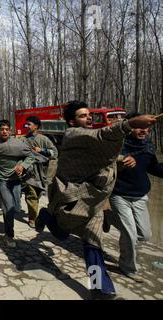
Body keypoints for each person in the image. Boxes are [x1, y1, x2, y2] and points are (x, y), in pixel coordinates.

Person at [35, 100, 157, 299]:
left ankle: (100, 288)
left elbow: (101, 160)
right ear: (72, 122)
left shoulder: (90, 138)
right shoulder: (73, 134)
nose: (89, 117)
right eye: (83, 115)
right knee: (62, 234)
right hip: (71, 201)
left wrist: (122, 161)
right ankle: (48, 215)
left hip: (93, 202)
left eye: (89, 114)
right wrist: (129, 124)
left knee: (93, 244)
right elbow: (100, 137)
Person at [106, 112, 163, 283]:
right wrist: (120, 162)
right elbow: (104, 165)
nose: (144, 130)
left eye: (146, 128)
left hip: (140, 196)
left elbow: (154, 168)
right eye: (139, 126)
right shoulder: (118, 145)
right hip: (119, 195)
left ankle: (108, 217)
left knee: (144, 235)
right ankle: (127, 267)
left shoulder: (147, 147)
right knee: (130, 234)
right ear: (130, 127)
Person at [0, 120, 35, 247]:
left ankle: (8, 228)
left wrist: (22, 165)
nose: (4, 131)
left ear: (10, 130)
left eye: (7, 129)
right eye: (2, 129)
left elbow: (30, 156)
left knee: (16, 208)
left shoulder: (18, 144)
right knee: (8, 207)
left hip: (16, 181)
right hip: (3, 181)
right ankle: (9, 236)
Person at [23, 116, 58, 228]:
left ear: (36, 126)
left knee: (38, 194)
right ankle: (32, 218)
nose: (26, 126)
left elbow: (55, 153)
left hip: (42, 172)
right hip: (29, 172)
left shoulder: (44, 139)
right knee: (31, 194)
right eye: (26, 124)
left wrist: (42, 150)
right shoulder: (23, 139)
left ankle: (35, 212)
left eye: (29, 124)